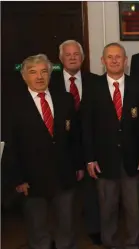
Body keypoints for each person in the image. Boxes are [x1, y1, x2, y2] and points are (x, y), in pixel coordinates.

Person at [3, 54, 81, 249]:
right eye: (33, 72)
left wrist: (78, 165)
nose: (39, 77)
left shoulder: (65, 99)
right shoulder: (12, 105)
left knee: (66, 225)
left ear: (50, 74)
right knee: (38, 229)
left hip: (64, 175)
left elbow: (75, 137)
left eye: (44, 71)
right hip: (31, 179)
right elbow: (9, 145)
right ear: (24, 77)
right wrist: (17, 179)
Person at [83, 42, 139, 249]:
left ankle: (133, 243)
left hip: (133, 160)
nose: (115, 60)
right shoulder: (92, 87)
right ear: (103, 61)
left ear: (126, 61)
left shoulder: (138, 85)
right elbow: (86, 125)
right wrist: (90, 157)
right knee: (107, 208)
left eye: (119, 57)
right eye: (110, 57)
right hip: (103, 160)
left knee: (133, 208)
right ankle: (110, 243)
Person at [48, 39, 102, 245]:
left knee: (92, 192)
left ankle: (94, 229)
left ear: (83, 58)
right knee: (60, 195)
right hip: (62, 147)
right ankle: (59, 234)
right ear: (61, 59)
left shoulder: (95, 81)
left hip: (90, 145)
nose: (72, 58)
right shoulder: (50, 81)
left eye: (76, 54)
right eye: (68, 55)